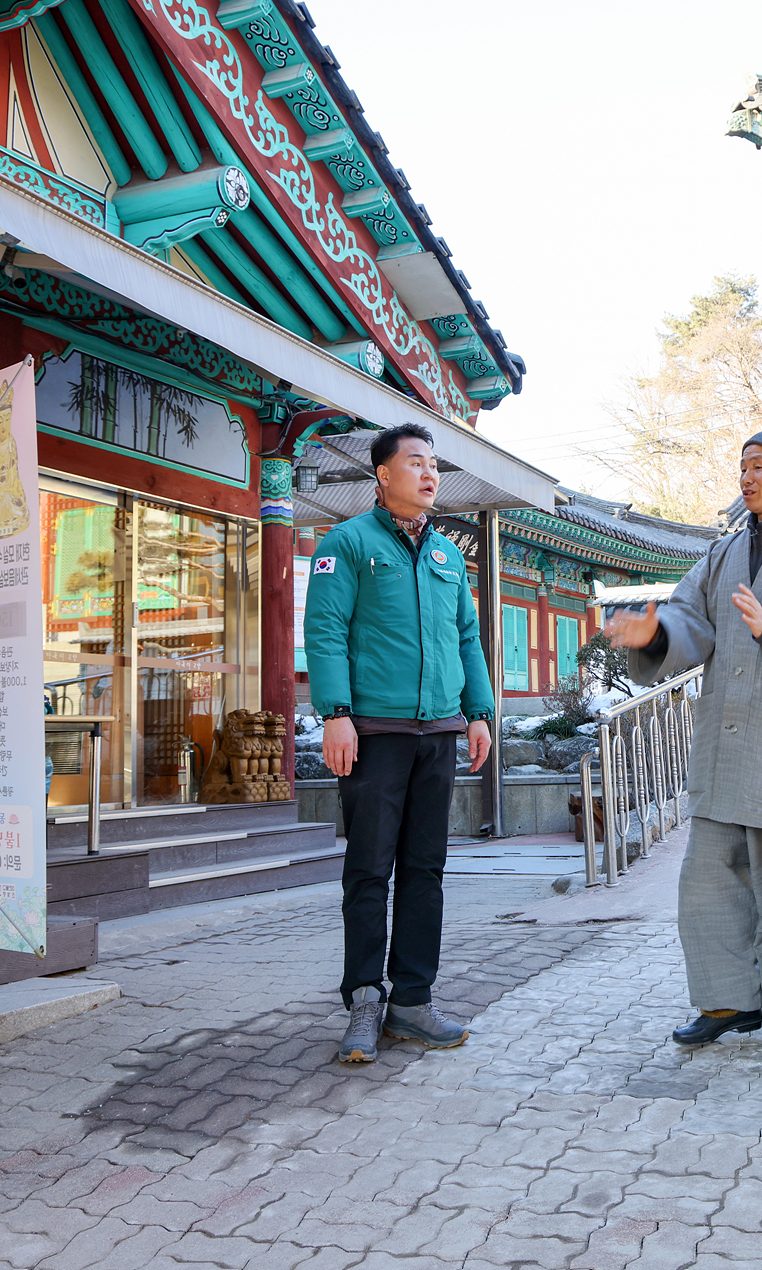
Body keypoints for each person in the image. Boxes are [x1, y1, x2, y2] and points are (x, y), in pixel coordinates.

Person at [603, 424, 762, 1061]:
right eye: (743, 466)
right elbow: (690, 616)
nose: (746, 477)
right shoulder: (721, 555)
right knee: (709, 880)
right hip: (730, 743)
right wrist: (655, 634)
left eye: (760, 466)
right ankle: (728, 1002)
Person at [303, 422, 496, 1064]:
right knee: (367, 870)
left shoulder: (445, 556)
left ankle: (412, 1001)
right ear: (383, 475)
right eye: (415, 462)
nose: (429, 473)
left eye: (434, 464)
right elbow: (325, 630)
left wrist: (478, 711)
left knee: (426, 871)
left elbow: (467, 637)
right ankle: (364, 1000)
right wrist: (335, 713)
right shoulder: (347, 544)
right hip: (374, 735)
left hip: (438, 732)